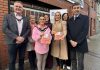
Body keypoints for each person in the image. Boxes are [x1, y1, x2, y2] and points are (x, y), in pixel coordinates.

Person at [2, 1, 30, 70]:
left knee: (22, 59)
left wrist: (23, 37)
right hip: (12, 42)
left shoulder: (26, 18)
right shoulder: (7, 16)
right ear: (13, 7)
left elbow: (28, 29)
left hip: (23, 42)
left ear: (22, 8)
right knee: (12, 60)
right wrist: (17, 37)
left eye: (20, 7)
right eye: (16, 6)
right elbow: (4, 29)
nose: (18, 8)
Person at [67, 3, 89, 70]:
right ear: (72, 9)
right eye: (75, 8)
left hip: (80, 44)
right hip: (71, 44)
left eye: (78, 8)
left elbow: (85, 31)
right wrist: (70, 40)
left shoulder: (85, 18)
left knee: (80, 62)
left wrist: (77, 42)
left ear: (80, 9)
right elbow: (68, 32)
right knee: (73, 60)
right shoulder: (69, 20)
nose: (76, 9)